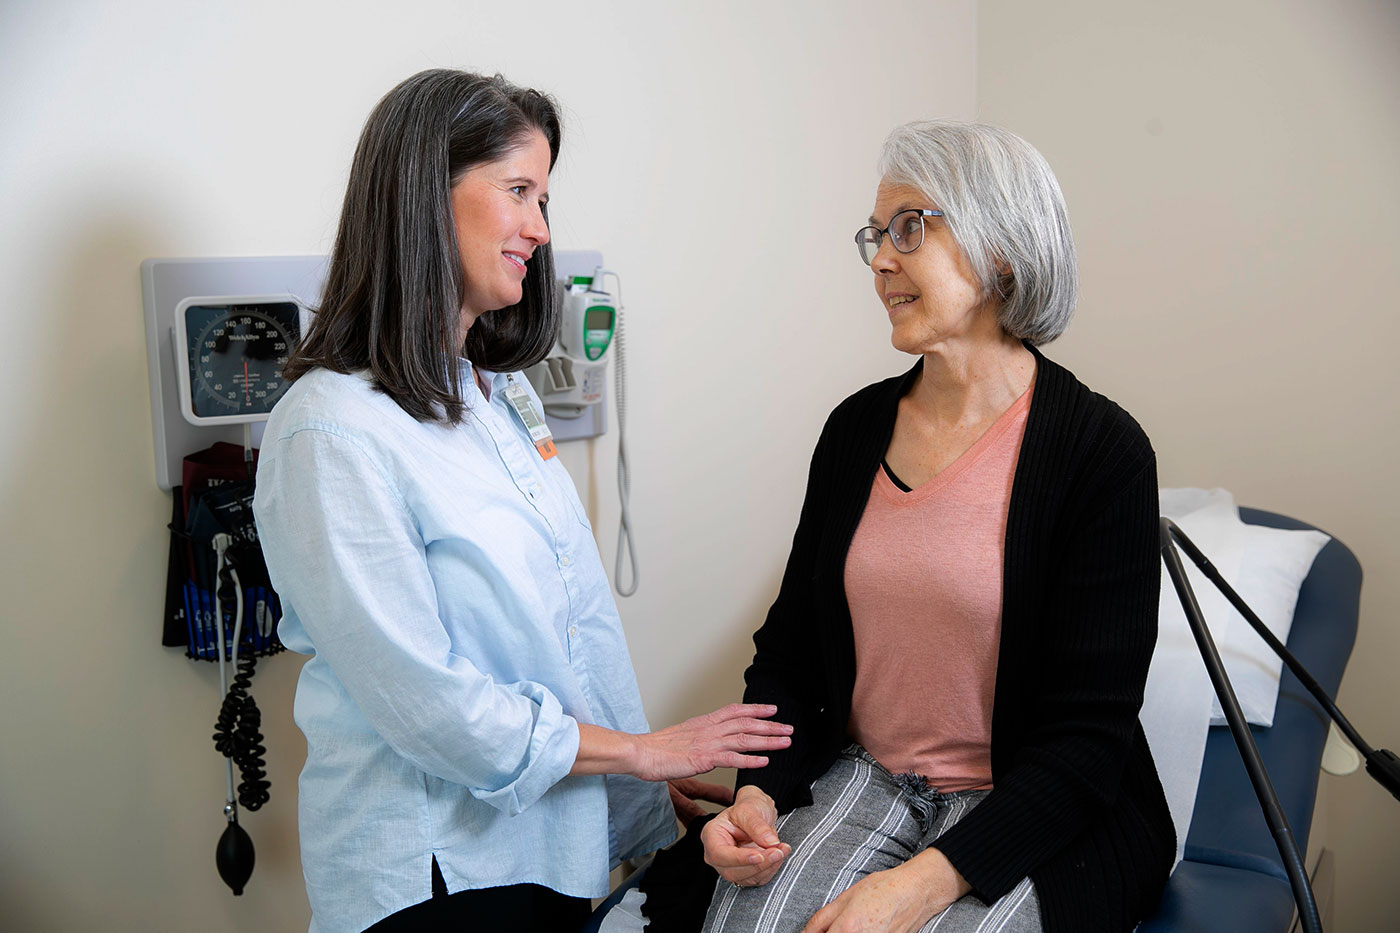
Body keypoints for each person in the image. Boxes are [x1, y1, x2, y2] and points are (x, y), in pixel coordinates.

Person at [252, 69, 791, 933]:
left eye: (545, 197)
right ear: (426, 196)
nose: (541, 228)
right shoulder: (329, 429)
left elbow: (568, 645)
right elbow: (432, 706)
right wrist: (643, 750)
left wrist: (646, 793)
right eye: (518, 192)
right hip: (436, 877)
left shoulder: (500, 400)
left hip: (549, 858)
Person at [688, 122, 1175, 933]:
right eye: (877, 235)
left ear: (1002, 250)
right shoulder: (855, 431)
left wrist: (916, 888)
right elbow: (793, 654)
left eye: (910, 227)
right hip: (871, 775)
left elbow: (1089, 738)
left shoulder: (1102, 453)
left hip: (1035, 801)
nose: (881, 258)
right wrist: (757, 791)